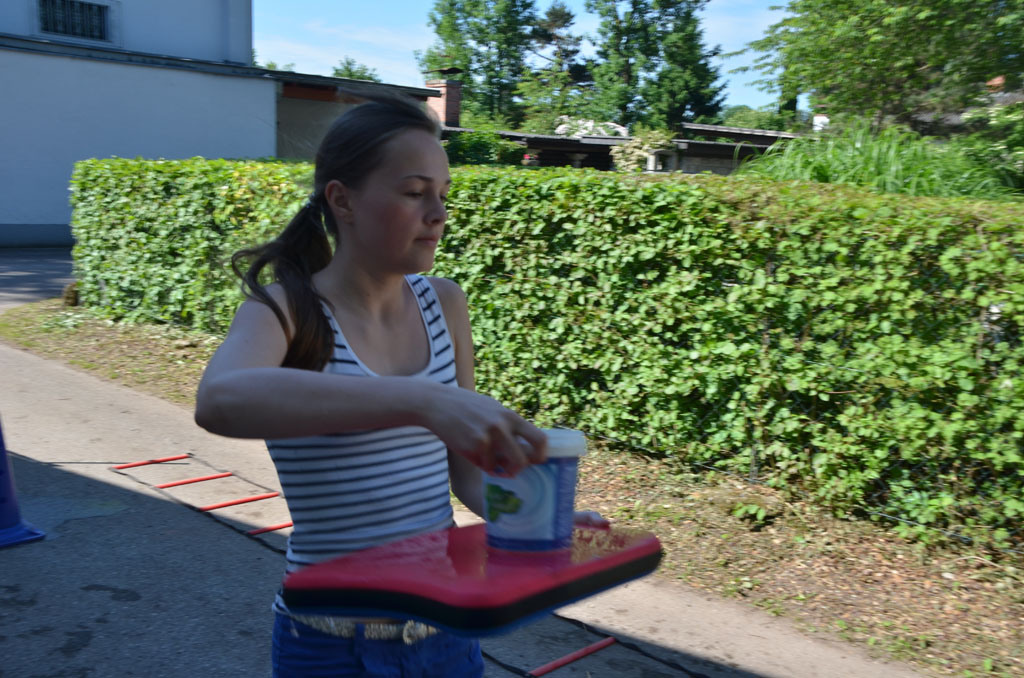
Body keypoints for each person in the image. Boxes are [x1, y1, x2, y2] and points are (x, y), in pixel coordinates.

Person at [194, 95, 603, 677]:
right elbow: (219, 401)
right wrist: (421, 400)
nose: (437, 213)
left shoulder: (445, 304)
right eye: (414, 192)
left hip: (444, 636)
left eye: (443, 195)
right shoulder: (286, 310)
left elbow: (468, 476)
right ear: (343, 200)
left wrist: (537, 522)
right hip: (328, 645)